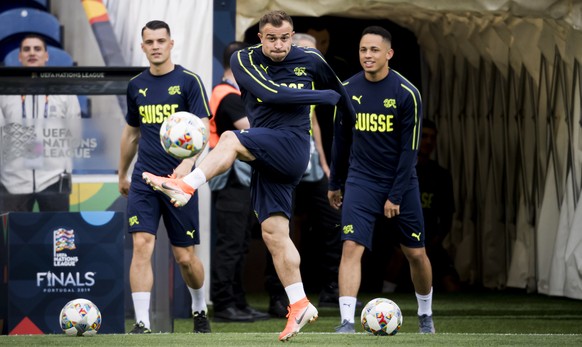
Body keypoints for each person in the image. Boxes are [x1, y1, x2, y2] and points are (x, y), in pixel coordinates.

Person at [141, 10, 354, 341]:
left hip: (293, 146)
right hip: (265, 150)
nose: (279, 45)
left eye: (285, 38)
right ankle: (299, 303)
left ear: (293, 35)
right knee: (273, 234)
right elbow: (272, 94)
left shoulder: (310, 59)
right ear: (261, 37)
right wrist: (321, 96)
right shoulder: (244, 60)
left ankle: (186, 186)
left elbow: (345, 105)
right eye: (272, 38)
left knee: (229, 139)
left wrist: (339, 168)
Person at [328, 26, 435, 334]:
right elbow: (340, 141)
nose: (367, 56)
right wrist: (335, 183)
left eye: (374, 50)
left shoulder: (407, 93)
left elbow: (409, 150)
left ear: (389, 54)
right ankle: (347, 322)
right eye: (363, 50)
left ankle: (425, 315)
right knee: (350, 246)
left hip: (400, 182)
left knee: (415, 253)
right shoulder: (346, 89)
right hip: (361, 181)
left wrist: (397, 195)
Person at [118, 20, 211, 334]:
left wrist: (189, 164)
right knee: (142, 244)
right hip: (144, 179)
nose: (155, 46)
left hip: (178, 183)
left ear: (171, 43)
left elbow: (203, 131)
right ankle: (142, 323)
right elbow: (131, 133)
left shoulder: (189, 81)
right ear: (142, 46)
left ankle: (199, 309)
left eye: (161, 40)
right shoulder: (136, 86)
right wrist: (122, 173)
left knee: (185, 258)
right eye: (149, 42)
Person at [207, 41, 269, 322]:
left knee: (242, 243)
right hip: (230, 180)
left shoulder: (235, 92)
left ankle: (238, 302)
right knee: (231, 244)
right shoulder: (227, 94)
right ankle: (223, 305)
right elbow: (253, 130)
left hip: (241, 180)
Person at [0, 34, 80, 213]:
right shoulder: (4, 90)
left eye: (37, 49)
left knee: (57, 236)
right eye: (26, 49)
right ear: (19, 57)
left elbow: (74, 132)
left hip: (54, 179)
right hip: (13, 180)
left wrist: (61, 165)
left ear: (46, 55)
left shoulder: (63, 90)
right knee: (13, 239)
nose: (32, 53)